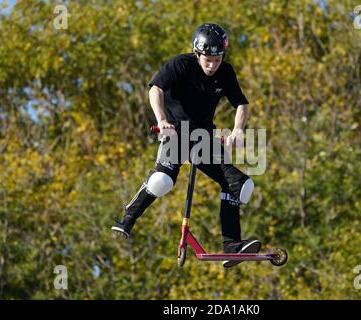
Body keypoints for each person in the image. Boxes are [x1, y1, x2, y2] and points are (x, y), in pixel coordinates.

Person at [111, 23, 260, 268]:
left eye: (217, 60)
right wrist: (162, 120)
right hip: (177, 133)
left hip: (203, 138)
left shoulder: (226, 72)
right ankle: (128, 218)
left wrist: (237, 131)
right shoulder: (180, 64)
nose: (212, 66)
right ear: (198, 54)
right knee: (162, 181)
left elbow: (241, 104)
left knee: (240, 185)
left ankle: (232, 246)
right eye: (208, 60)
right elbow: (155, 89)